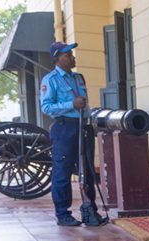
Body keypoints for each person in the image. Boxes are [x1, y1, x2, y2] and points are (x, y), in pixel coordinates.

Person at [39, 42, 107, 226]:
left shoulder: (78, 78)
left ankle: (90, 210)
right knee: (63, 172)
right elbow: (46, 107)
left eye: (71, 54)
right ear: (58, 58)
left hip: (83, 127)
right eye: (68, 54)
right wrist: (71, 105)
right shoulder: (50, 80)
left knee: (87, 171)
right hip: (65, 128)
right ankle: (63, 214)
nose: (72, 57)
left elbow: (85, 103)